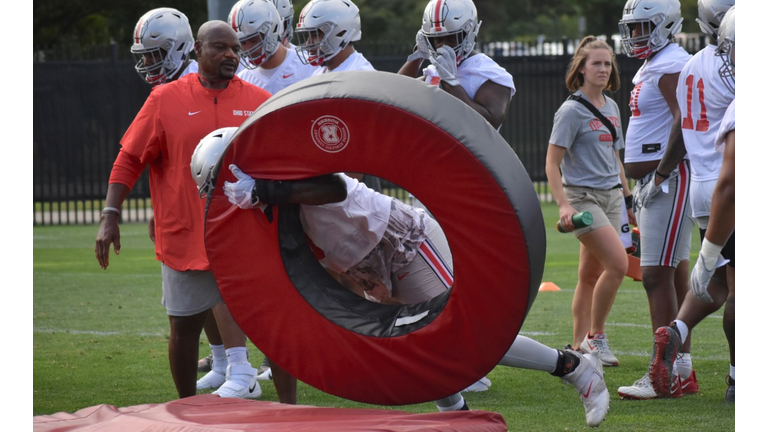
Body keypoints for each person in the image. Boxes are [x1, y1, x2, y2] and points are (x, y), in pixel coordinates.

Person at [203, 134, 609, 426]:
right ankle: (459, 419)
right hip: (365, 265)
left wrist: (268, 190)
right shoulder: (251, 202)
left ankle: (573, 366)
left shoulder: (280, 171)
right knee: (419, 350)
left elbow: (333, 186)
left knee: (463, 336)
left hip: (401, 241)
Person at [94, 21, 278, 401]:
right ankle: (186, 406)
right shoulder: (165, 99)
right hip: (184, 234)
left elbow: (278, 163)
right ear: (198, 49)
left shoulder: (259, 100)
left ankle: (270, 393)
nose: (231, 55)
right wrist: (110, 214)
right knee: (183, 327)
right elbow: (130, 158)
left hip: (245, 235)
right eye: (221, 48)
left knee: (271, 323)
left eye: (235, 49)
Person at [397, 0, 515, 390]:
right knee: (430, 277)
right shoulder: (429, 68)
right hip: (429, 182)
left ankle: (473, 361)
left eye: (450, 38)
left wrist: (450, 81)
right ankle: (446, 355)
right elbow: (390, 97)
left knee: (464, 278)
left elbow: (487, 123)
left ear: (469, 33)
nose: (443, 46)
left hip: (470, 185)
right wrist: (416, 60)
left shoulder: (488, 72)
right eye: (435, 39)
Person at [651, 4, 736, 402]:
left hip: (702, 182)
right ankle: (740, 377)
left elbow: (681, 128)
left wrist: (665, 172)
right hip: (728, 183)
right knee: (740, 287)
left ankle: (677, 330)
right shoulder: (730, 73)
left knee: (716, 283)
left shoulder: (692, 65)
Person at [614, 0, 697, 400]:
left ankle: (660, 374)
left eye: (642, 27)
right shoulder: (658, 62)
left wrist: (661, 172)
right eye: (631, 28)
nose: (635, 36)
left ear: (665, 25)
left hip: (667, 179)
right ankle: (681, 370)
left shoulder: (669, 64)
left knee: (655, 276)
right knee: (675, 274)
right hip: (659, 179)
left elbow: (684, 123)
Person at [546, 36, 634, 368]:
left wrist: (628, 199)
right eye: (595, 63)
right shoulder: (570, 111)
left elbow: (615, 160)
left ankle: (578, 347)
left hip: (612, 197)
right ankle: (596, 337)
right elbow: (551, 163)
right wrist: (564, 205)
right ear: (581, 69)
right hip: (583, 198)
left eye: (607, 63)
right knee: (618, 266)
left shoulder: (611, 106)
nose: (602, 68)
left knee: (588, 276)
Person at [230, 0, 316, 96]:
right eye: (242, 42)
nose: (248, 48)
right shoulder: (242, 79)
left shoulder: (310, 68)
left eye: (254, 40)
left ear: (273, 30)